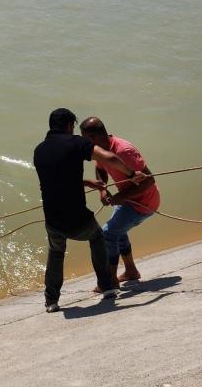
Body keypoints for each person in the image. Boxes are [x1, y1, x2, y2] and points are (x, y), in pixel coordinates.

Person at [33, 108, 147, 313]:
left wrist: (86, 182)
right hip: (77, 218)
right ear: (69, 125)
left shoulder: (39, 150)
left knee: (56, 252)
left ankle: (51, 301)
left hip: (52, 218)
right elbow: (108, 158)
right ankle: (106, 286)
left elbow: (57, 179)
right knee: (98, 237)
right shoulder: (76, 142)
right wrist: (132, 173)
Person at [80, 117, 160, 287]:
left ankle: (110, 281)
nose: (83, 143)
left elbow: (148, 181)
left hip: (144, 202)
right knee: (118, 230)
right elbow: (100, 168)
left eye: (85, 138)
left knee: (108, 233)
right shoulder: (101, 149)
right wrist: (103, 189)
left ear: (94, 137)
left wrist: (120, 197)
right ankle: (131, 271)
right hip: (128, 200)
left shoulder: (124, 152)